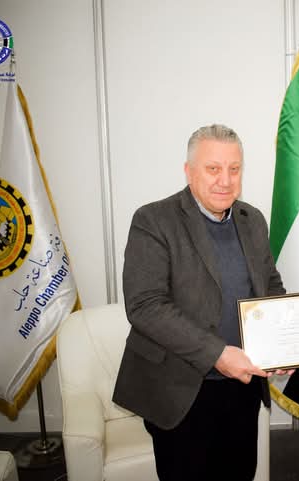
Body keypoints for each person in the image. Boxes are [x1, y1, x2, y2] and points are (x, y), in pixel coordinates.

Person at [112, 124, 285, 481]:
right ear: (189, 171)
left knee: (239, 473)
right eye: (213, 169)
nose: (225, 180)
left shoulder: (252, 219)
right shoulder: (153, 220)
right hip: (179, 390)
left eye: (234, 169)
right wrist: (218, 354)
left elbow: (269, 285)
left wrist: (282, 342)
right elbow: (145, 305)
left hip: (241, 387)